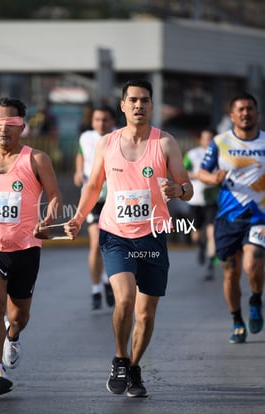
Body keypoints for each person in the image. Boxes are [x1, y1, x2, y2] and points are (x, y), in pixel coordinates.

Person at [64, 79, 193, 398]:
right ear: (123, 106)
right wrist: (78, 217)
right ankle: (120, 359)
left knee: (146, 313)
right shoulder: (106, 143)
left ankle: (135, 367)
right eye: (133, 100)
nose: (139, 105)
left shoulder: (165, 143)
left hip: (153, 236)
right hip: (116, 233)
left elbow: (187, 187)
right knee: (124, 299)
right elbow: (94, 185)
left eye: (145, 100)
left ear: (151, 106)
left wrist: (177, 190)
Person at [0, 97, 62, 396]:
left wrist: (48, 218)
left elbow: (55, 196)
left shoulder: (36, 159)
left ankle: (13, 334)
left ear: (22, 127)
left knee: (18, 317)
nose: (4, 129)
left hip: (26, 247)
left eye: (11, 124)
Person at [198, 92, 264, 344]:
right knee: (230, 273)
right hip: (227, 217)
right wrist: (213, 178)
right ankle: (237, 320)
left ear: (257, 113)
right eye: (241, 109)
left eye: (250, 108)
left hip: (259, 217)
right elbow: (202, 172)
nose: (246, 113)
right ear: (232, 115)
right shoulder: (220, 142)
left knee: (253, 263)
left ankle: (256, 300)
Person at [73, 105, 116, 310]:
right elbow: (81, 155)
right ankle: (96, 287)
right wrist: (78, 171)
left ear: (112, 122)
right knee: (95, 242)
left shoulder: (119, 137)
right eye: (97, 119)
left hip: (115, 197)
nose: (101, 123)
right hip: (92, 197)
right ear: (92, 121)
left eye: (105, 120)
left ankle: (108, 278)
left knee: (112, 242)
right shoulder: (85, 137)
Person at [183, 129, 219, 280]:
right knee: (195, 236)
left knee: (212, 232)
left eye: (211, 138)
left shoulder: (220, 154)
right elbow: (183, 171)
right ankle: (201, 247)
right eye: (205, 138)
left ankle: (211, 263)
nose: (208, 141)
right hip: (195, 199)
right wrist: (198, 175)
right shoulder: (192, 154)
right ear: (201, 140)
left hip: (211, 199)